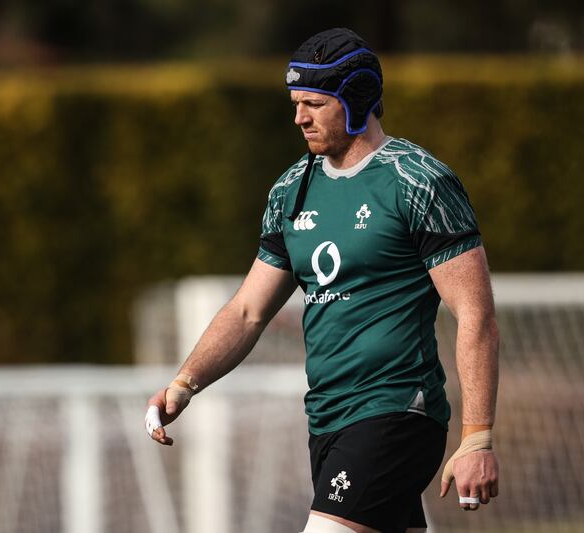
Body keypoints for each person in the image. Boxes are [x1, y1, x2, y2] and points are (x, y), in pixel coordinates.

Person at [145, 27, 499, 533]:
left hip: (396, 412)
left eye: (314, 103)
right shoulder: (292, 189)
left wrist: (477, 437)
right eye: (295, 103)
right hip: (327, 420)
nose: (299, 117)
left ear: (356, 100)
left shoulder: (419, 181)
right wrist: (184, 383)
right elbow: (248, 310)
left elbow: (475, 312)